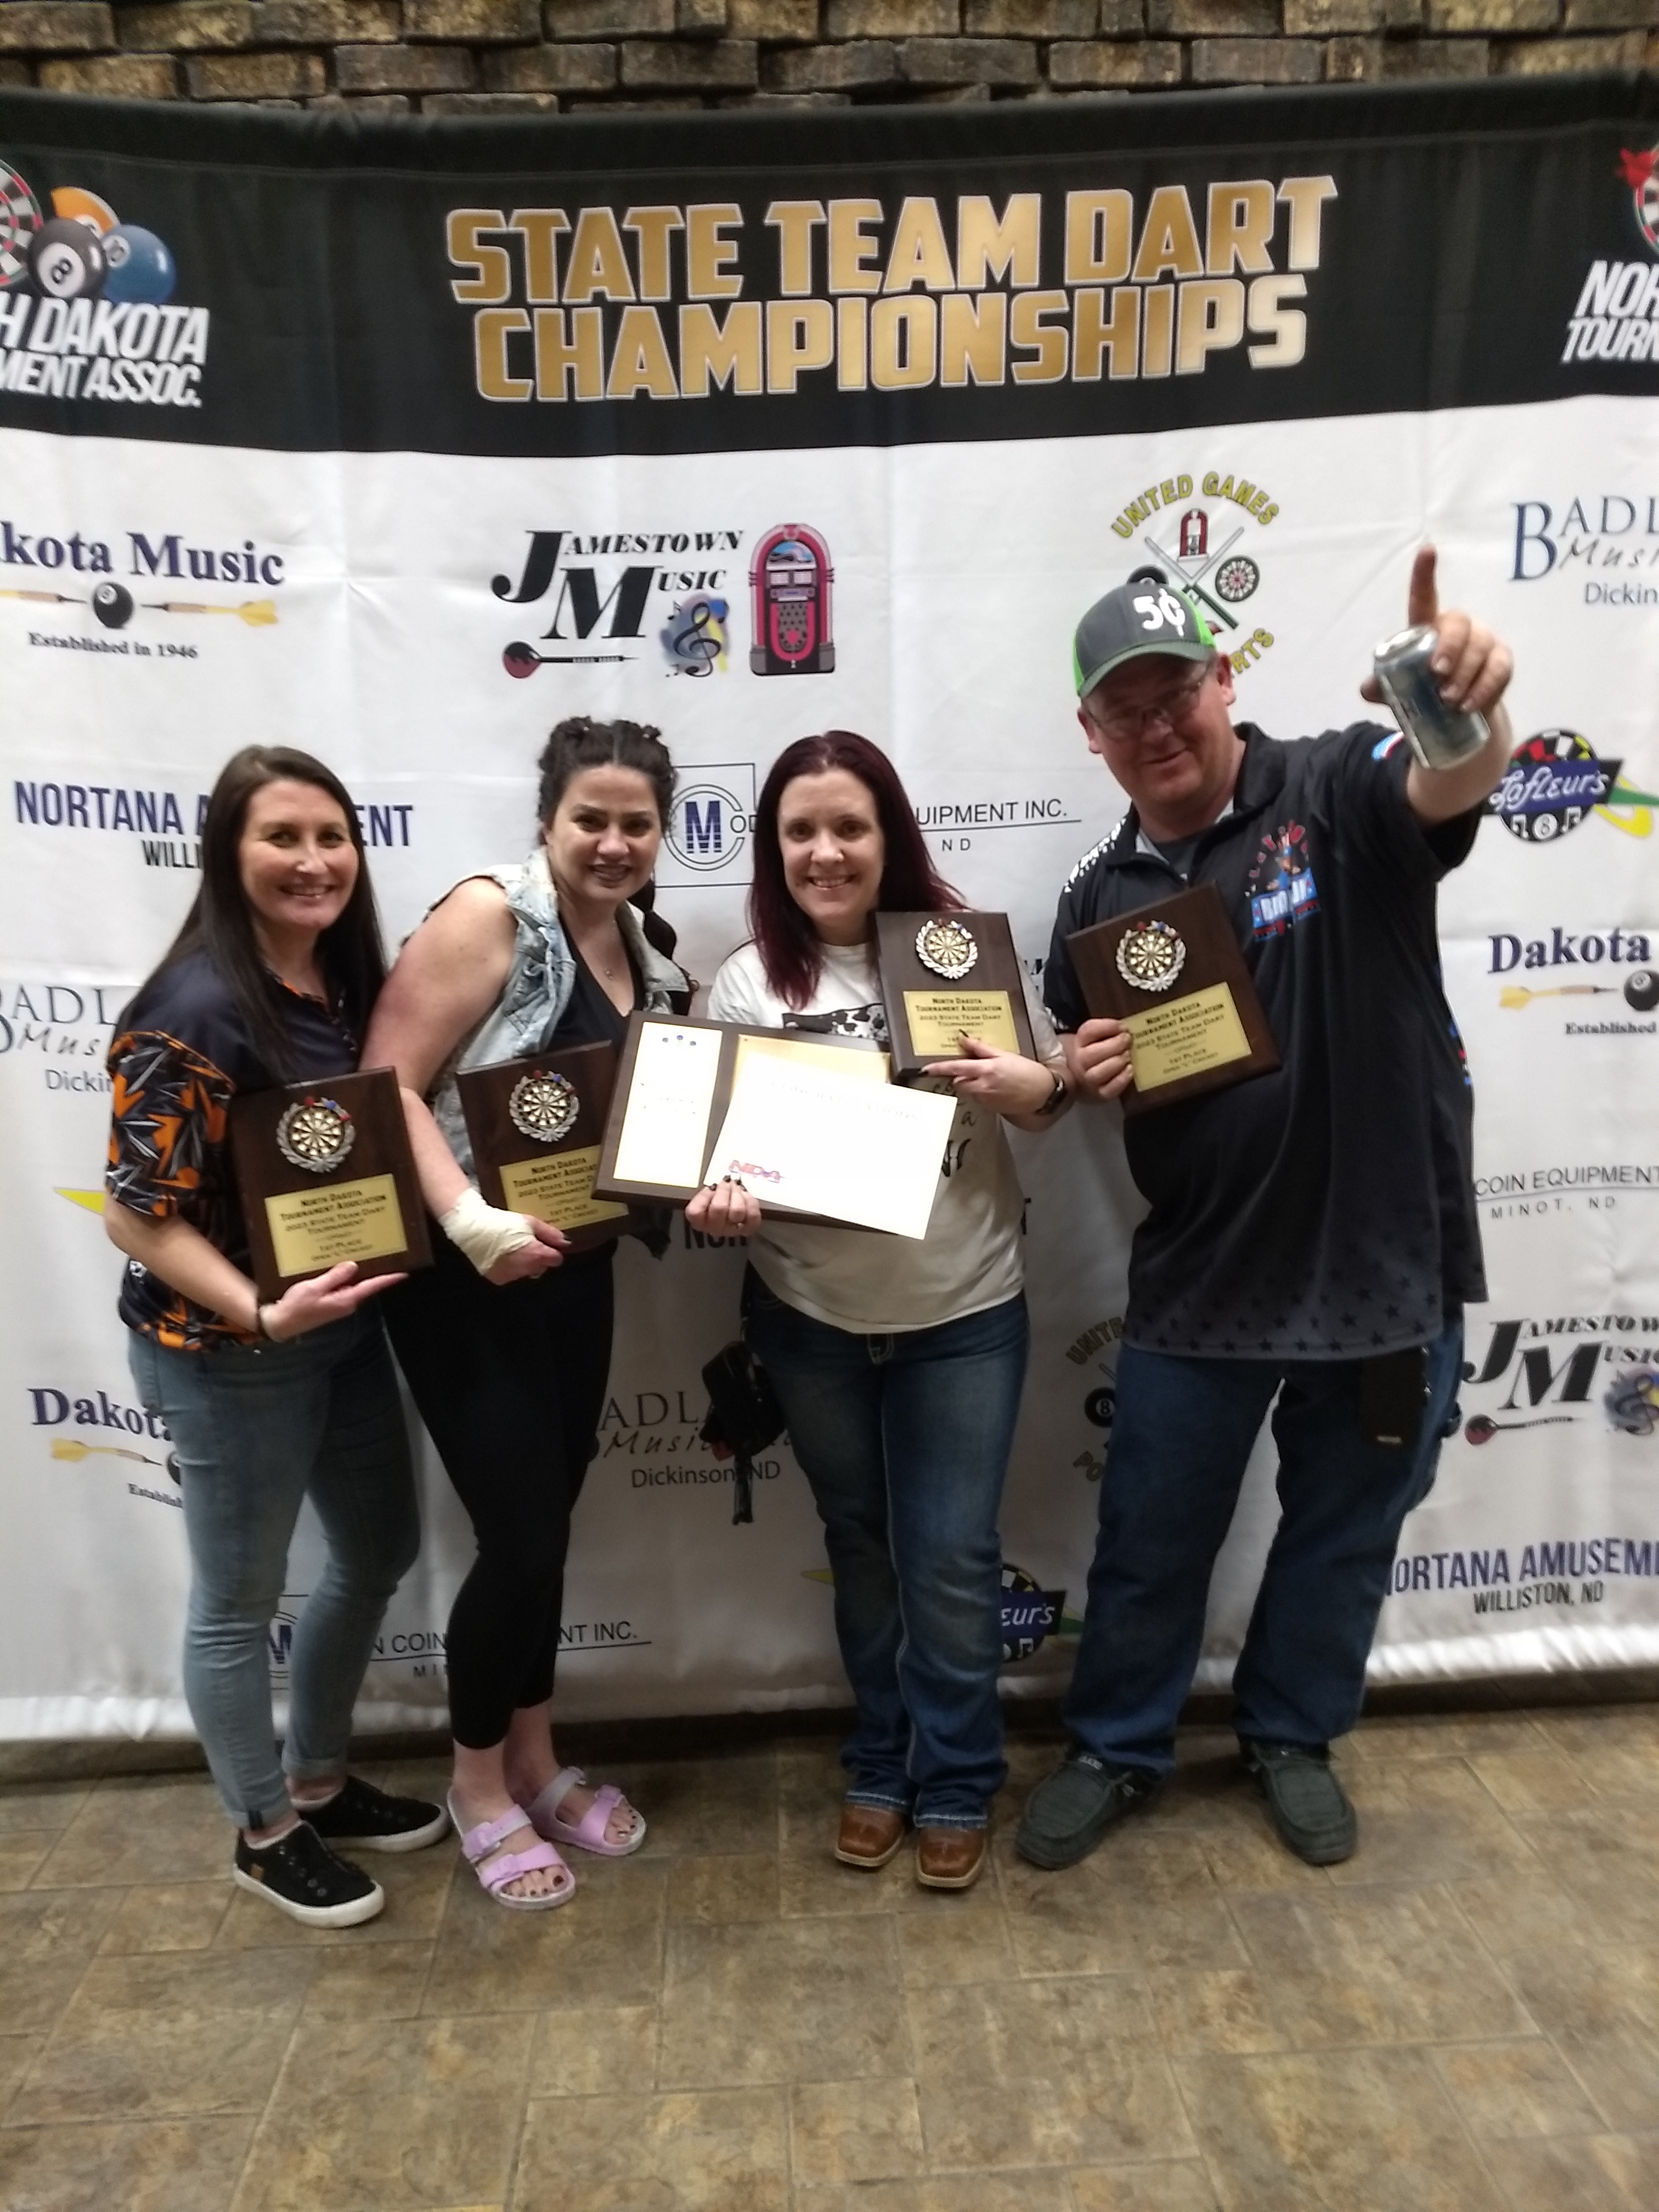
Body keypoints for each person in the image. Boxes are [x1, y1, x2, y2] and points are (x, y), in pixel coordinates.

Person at [1018, 549, 1514, 1872]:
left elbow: (1451, 776)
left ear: (1225, 679)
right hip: (1204, 1274)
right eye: (1125, 709)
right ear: (1090, 732)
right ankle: (1116, 1746)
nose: (1157, 726)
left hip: (1381, 1266)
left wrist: (1457, 704)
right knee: (1150, 1538)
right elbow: (1074, 1059)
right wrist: (1079, 1066)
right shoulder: (1098, 893)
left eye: (1176, 690)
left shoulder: (1335, 787)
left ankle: (1292, 1735)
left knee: (1344, 1535)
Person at [691, 732, 1071, 1892]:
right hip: (809, 1318)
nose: (825, 852)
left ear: (888, 836)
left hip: (963, 1310)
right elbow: (709, 1151)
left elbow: (1042, 1102)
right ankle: (880, 1761)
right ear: (774, 849)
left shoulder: (961, 953)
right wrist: (714, 1196)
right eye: (800, 831)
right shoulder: (750, 983)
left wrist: (1040, 1086)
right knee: (860, 1547)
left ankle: (957, 1776)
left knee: (948, 1557)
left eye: (848, 826)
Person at [105, 746, 446, 1929]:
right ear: (227, 853)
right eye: (281, 838)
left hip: (338, 1328)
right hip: (229, 1351)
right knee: (237, 1603)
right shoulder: (195, 1009)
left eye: (330, 837)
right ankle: (262, 1829)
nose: (313, 862)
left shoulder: (341, 984)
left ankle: (319, 1781)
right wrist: (257, 1310)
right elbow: (134, 1213)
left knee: (380, 1547)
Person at [364, 717, 689, 1910]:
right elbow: (386, 1084)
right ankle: (476, 1785)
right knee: (521, 1540)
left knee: (546, 1526)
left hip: (573, 1270)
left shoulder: (644, 948)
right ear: (547, 820)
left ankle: (537, 1762)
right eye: (589, 819)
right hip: (465, 1283)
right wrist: (468, 1221)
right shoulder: (489, 914)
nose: (612, 842)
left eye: (636, 823)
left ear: (662, 833)